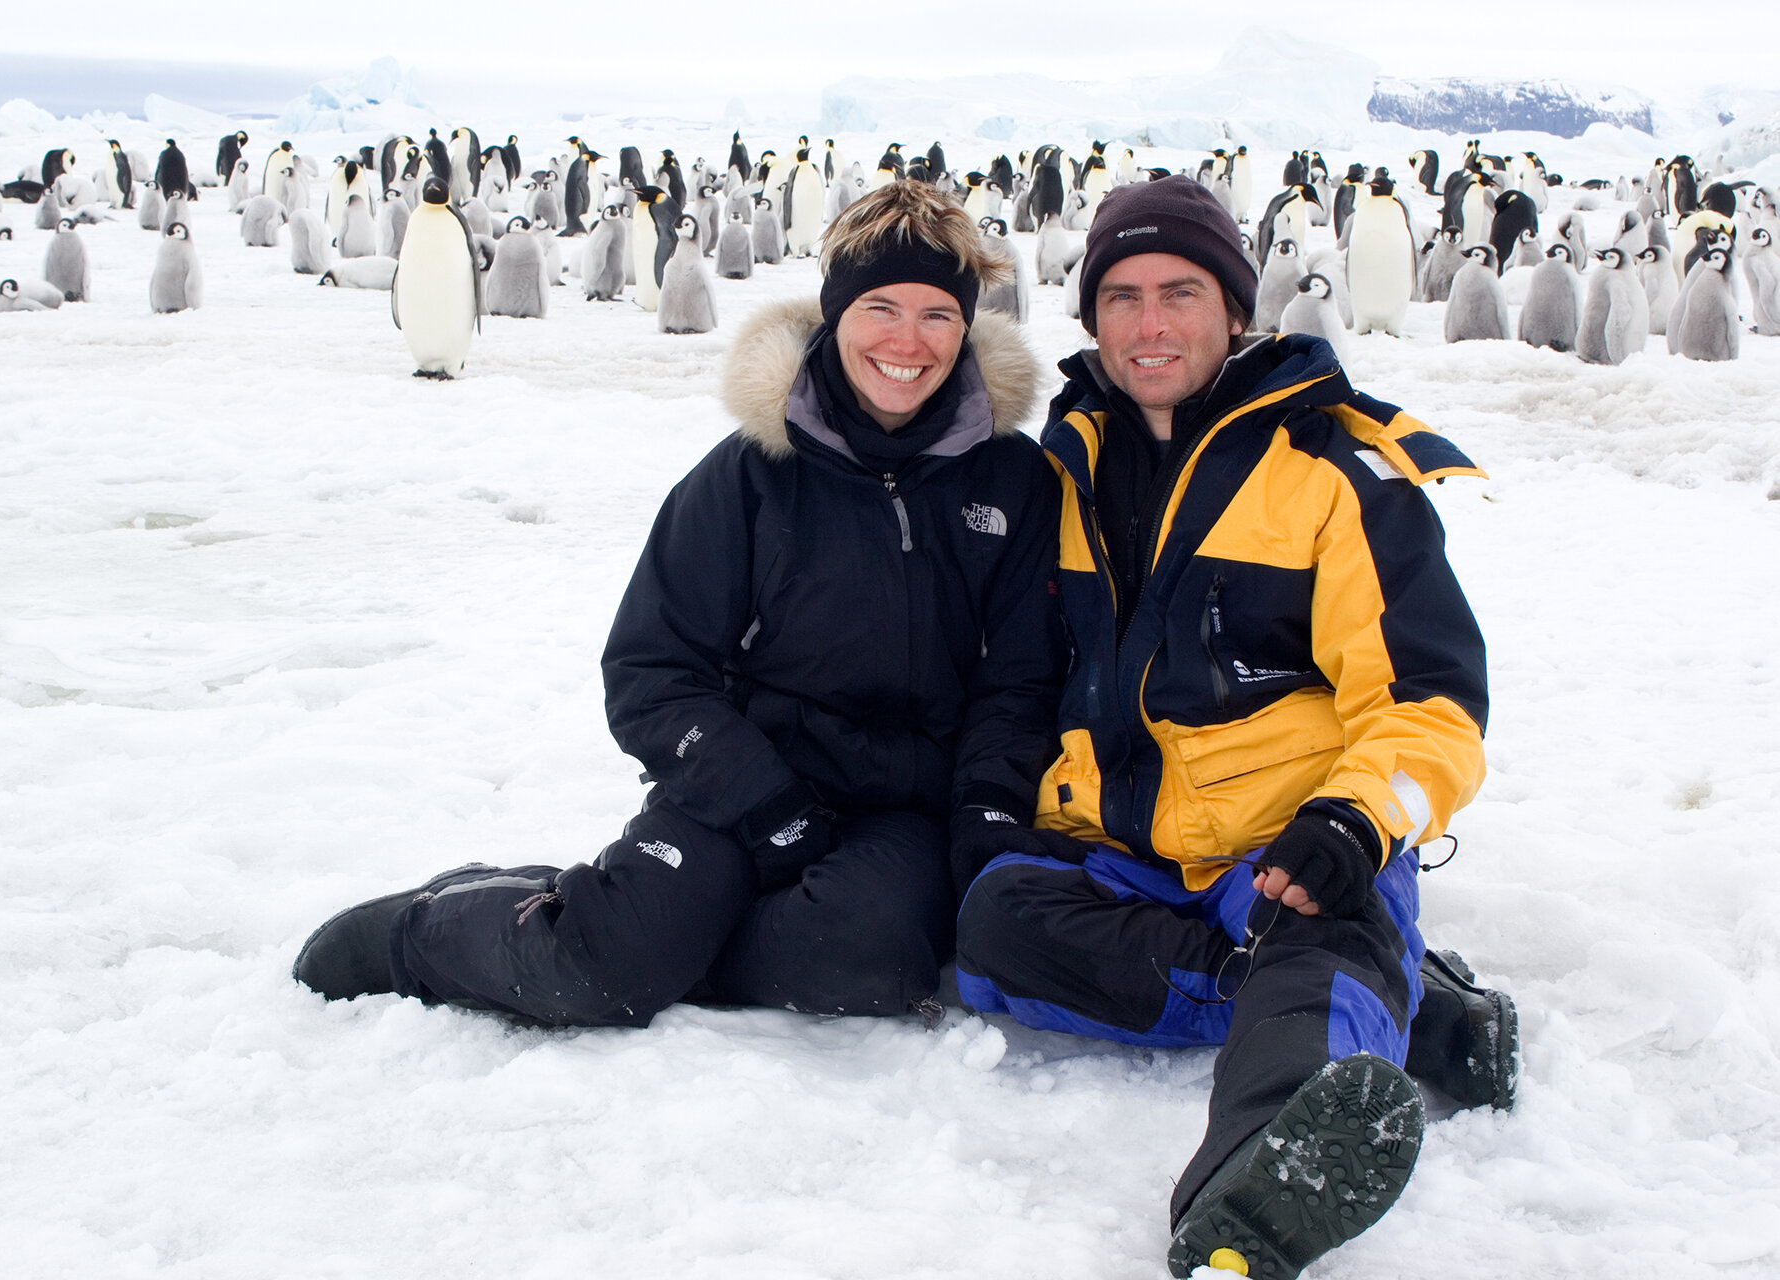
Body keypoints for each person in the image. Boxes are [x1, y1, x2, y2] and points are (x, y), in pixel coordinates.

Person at [293, 181, 1064, 1027]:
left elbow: (1020, 680)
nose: (907, 342)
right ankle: (425, 932)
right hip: (737, 787)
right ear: (835, 313)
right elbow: (650, 670)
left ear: (966, 325)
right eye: (881, 308)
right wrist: (765, 803)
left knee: (857, 960)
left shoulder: (1011, 482)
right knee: (594, 974)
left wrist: (986, 807)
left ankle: (651, 936)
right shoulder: (748, 476)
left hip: (901, 810)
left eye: (936, 315)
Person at [952, 176, 1517, 1279]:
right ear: (1091, 317)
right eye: (1121, 295)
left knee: (1319, 931)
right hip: (1129, 857)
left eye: (1179, 292)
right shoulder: (1067, 467)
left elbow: (1429, 701)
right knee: (989, 921)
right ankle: (1392, 995)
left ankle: (1254, 1186)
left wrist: (1356, 822)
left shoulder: (1332, 473)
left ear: (1236, 309)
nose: (1148, 324)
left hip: (1287, 846)